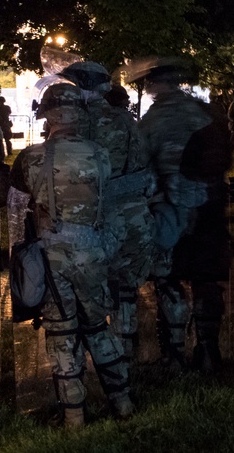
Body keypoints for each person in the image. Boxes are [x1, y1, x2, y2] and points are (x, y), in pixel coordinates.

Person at [10, 83, 133, 427]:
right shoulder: (99, 154)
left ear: (47, 114)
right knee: (98, 327)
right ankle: (122, 402)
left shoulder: (32, 157)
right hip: (93, 250)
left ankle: (74, 416)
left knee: (62, 334)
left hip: (52, 256)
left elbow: (18, 193)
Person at [137, 58, 233, 372]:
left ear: (156, 84)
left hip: (170, 211)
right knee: (206, 279)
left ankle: (174, 355)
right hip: (208, 207)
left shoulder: (153, 120)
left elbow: (143, 168)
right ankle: (208, 351)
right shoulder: (206, 112)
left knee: (168, 280)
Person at [60, 61, 154, 361]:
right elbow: (141, 164)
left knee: (88, 293)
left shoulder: (71, 123)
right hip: (129, 214)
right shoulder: (125, 120)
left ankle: (95, 363)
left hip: (86, 220)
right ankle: (125, 354)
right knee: (125, 288)